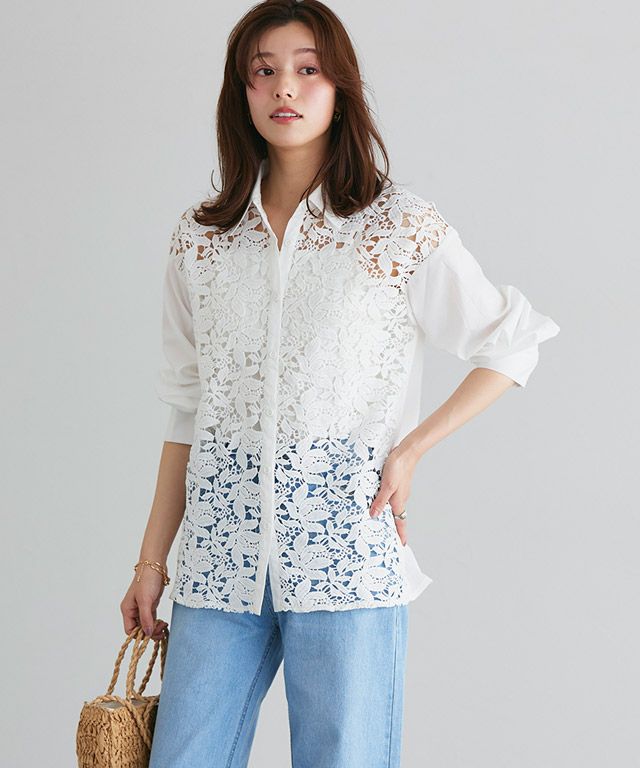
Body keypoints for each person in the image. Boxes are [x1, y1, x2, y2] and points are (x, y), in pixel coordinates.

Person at [119, 1, 561, 766]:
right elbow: (188, 408)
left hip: (345, 559)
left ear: (341, 87)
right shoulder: (203, 239)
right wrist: (151, 562)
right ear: (241, 92)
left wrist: (412, 449)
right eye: (263, 71)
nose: (284, 88)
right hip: (219, 563)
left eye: (308, 69)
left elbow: (512, 340)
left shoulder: (397, 226)